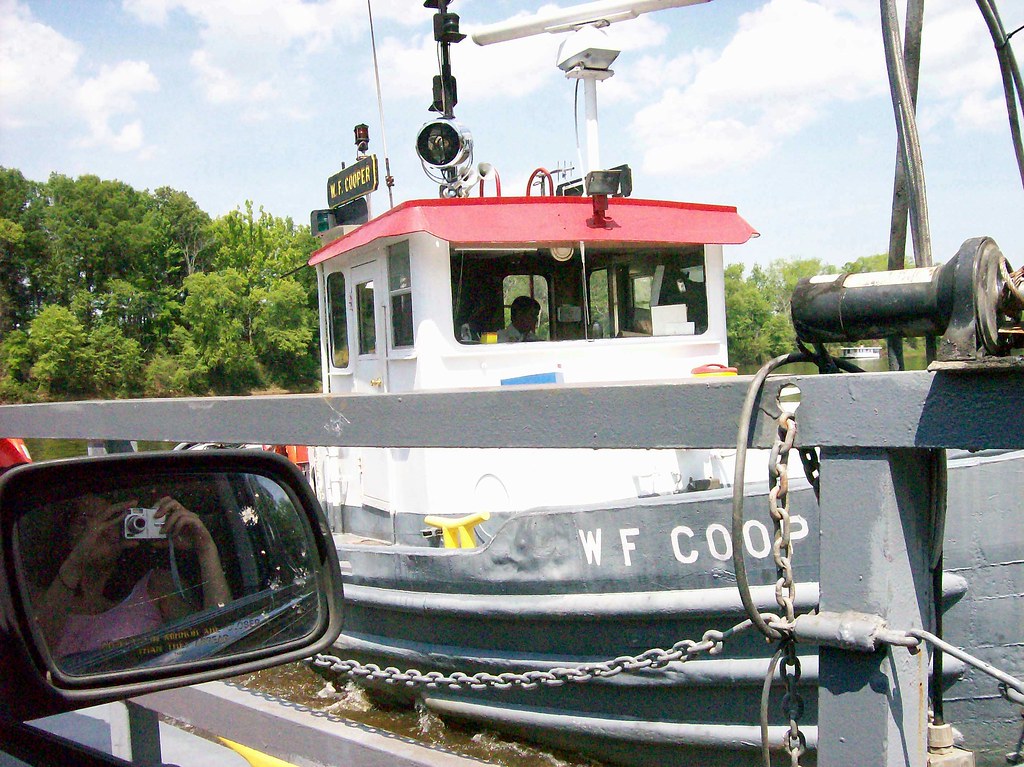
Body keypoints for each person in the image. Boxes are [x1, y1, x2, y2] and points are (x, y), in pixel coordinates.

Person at [36, 492, 232, 658]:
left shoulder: (157, 587)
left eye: (110, 519)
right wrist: (76, 562)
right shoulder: (37, 597)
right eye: (84, 522)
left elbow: (214, 642)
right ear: (65, 533)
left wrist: (205, 548)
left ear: (128, 528)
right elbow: (38, 652)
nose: (97, 530)